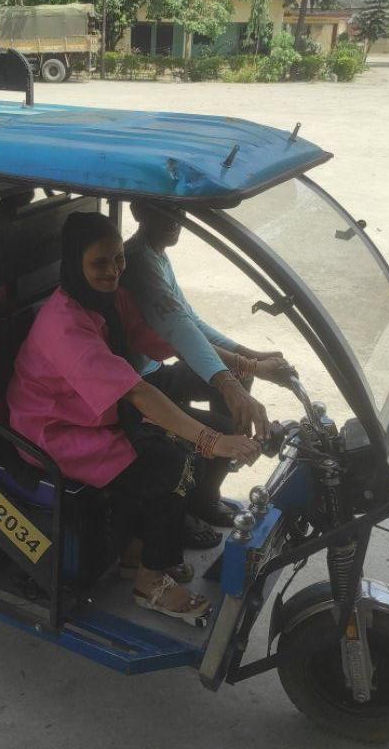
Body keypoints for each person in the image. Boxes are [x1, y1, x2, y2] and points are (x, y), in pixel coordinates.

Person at [7, 212, 260, 624]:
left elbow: (165, 340)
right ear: (74, 263)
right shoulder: (64, 325)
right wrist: (212, 441)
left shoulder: (109, 299)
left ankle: (137, 549)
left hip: (97, 411)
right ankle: (149, 581)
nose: (113, 271)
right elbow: (138, 392)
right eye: (99, 263)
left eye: (119, 259)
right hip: (57, 430)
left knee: (186, 442)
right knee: (172, 462)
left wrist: (242, 368)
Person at [120, 200, 296, 533]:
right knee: (223, 427)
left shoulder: (156, 255)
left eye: (179, 211)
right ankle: (198, 496)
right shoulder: (139, 262)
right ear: (139, 212)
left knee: (239, 380)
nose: (176, 219)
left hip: (154, 370)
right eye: (164, 211)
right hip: (137, 386)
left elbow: (191, 321)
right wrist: (235, 381)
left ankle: (208, 481)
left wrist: (251, 359)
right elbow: (179, 331)